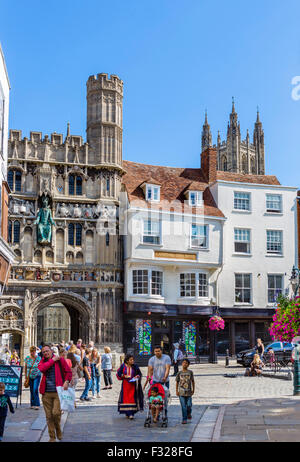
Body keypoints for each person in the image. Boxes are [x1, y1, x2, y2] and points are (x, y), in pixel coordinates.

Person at [38, 343, 72, 442]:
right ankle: (52, 437)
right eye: (43, 352)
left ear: (51, 351)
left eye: (47, 351)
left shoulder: (60, 360)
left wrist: (66, 381)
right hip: (46, 393)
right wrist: (52, 360)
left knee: (56, 413)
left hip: (58, 392)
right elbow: (41, 369)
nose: (45, 353)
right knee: (49, 416)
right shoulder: (43, 362)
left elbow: (68, 372)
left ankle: (58, 429)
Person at [116, 354, 144, 419]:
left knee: (132, 398)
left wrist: (137, 376)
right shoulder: (123, 366)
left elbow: (139, 374)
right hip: (125, 385)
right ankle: (126, 412)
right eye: (131, 360)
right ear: (127, 360)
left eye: (133, 359)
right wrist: (123, 376)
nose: (132, 361)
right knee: (125, 398)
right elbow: (118, 373)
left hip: (133, 385)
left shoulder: (135, 366)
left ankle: (131, 413)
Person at [176, 358, 195, 424]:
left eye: (186, 363)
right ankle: (184, 418)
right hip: (181, 392)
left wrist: (193, 390)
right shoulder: (179, 373)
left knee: (189, 405)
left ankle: (189, 413)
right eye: (183, 363)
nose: (185, 364)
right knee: (183, 406)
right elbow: (177, 382)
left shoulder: (190, 372)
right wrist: (177, 391)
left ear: (188, 365)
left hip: (189, 392)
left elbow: (192, 381)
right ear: (182, 364)